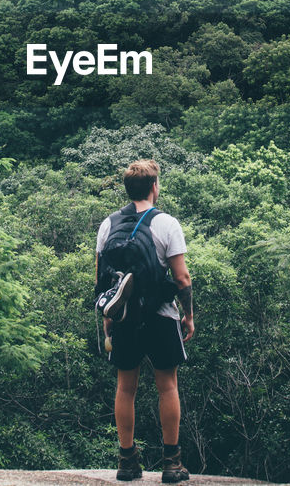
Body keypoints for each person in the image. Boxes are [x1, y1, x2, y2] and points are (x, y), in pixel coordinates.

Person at [95, 159, 195, 483]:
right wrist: (188, 315)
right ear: (155, 187)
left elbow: (100, 280)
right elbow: (181, 278)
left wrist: (109, 318)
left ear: (127, 189)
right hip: (160, 313)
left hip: (124, 317)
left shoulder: (108, 225)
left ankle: (127, 462)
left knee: (126, 388)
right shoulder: (166, 223)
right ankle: (171, 464)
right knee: (167, 386)